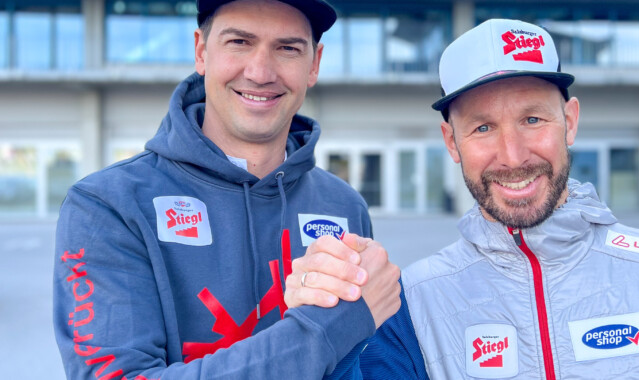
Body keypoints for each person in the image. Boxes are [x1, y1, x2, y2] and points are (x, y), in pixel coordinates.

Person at [291, 19, 639, 379]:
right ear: (451, 143)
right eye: (482, 128)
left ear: (570, 121)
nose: (513, 156)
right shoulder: (411, 304)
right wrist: (333, 331)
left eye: (533, 120)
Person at [52, 0, 400, 378]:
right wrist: (327, 331)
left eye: (287, 48)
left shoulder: (344, 205)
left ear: (314, 64)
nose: (261, 72)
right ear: (201, 52)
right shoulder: (108, 205)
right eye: (239, 42)